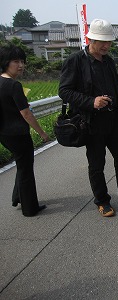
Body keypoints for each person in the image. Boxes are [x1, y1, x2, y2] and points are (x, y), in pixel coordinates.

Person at [58, 19, 118, 217]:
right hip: (92, 123)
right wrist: (92, 102)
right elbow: (64, 91)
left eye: (109, 42)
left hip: (114, 120)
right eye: (102, 42)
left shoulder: (108, 61)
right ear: (90, 39)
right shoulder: (75, 61)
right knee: (97, 164)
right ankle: (102, 201)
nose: (106, 46)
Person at [0, 43, 49, 217]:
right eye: (15, 61)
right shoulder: (14, 85)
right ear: (6, 62)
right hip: (18, 134)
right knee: (26, 169)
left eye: (22, 61)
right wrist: (42, 133)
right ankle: (30, 208)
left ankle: (18, 197)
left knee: (21, 166)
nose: (20, 65)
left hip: (4, 134)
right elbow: (26, 114)